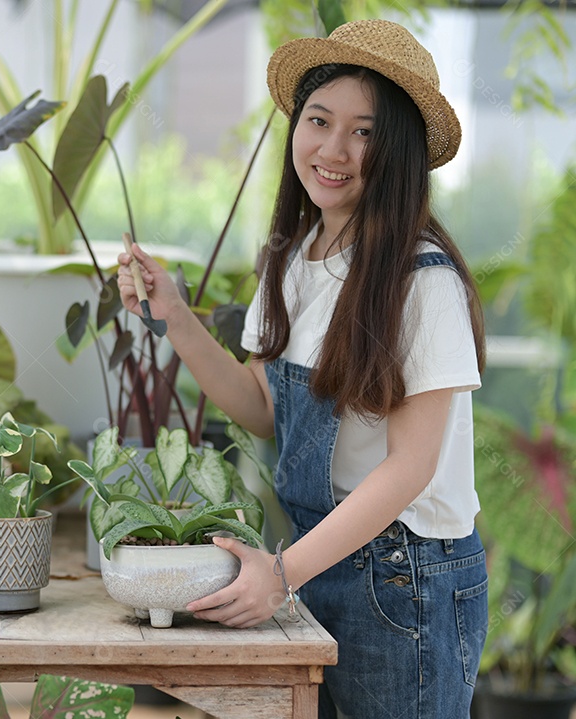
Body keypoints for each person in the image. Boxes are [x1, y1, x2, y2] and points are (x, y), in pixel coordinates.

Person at [117, 19, 487, 718]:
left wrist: (281, 574)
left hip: (407, 577)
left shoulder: (422, 279)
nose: (334, 149)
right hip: (323, 557)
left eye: (365, 132)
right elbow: (263, 405)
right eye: (319, 120)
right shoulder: (295, 254)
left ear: (400, 151)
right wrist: (175, 315)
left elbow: (410, 468)